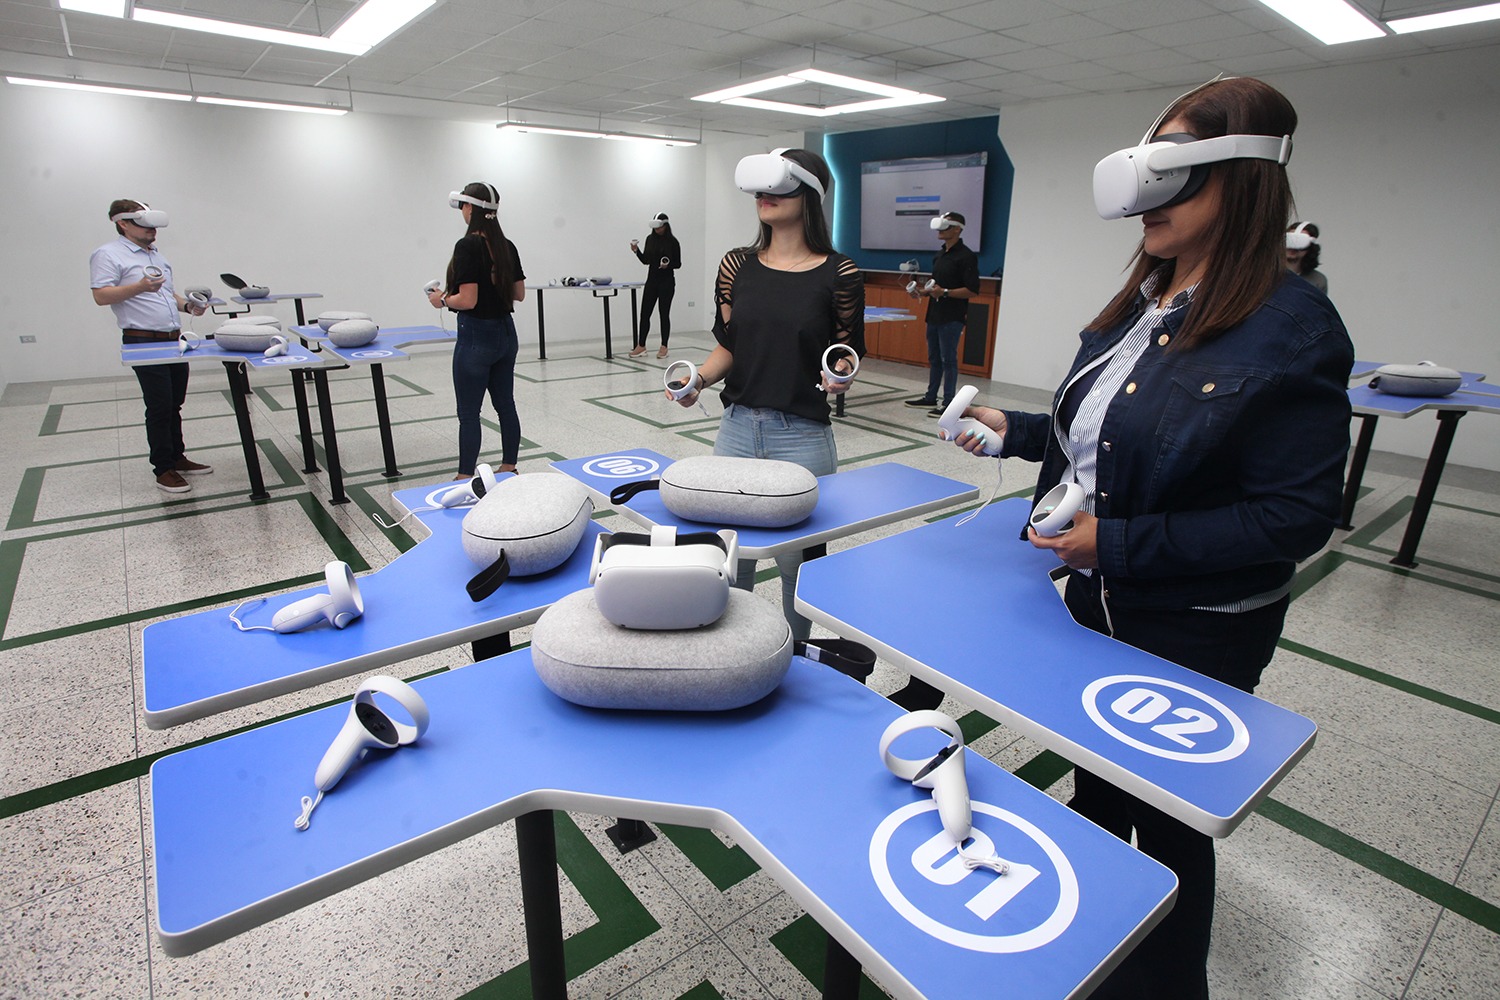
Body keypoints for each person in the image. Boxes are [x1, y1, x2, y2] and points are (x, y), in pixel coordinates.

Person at [948, 78, 1353, 999]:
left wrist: (1117, 544)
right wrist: (1013, 432)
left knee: (1168, 830)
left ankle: (1171, 984)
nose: (1146, 205)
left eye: (1175, 177)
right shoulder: (1148, 294)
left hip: (1195, 629)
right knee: (1096, 795)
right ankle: (1100, 959)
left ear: (1241, 184)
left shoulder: (1293, 328)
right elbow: (1102, 434)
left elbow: (1293, 518)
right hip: (1096, 603)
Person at [668, 149, 864, 639]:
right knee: (731, 560)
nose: (763, 197)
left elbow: (844, 350)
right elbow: (729, 345)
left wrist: (840, 374)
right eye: (760, 190)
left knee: (801, 567)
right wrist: (699, 381)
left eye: (776, 188)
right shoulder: (737, 265)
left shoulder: (839, 274)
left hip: (802, 437)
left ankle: (797, 656)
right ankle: (736, 653)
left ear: (810, 194)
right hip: (735, 432)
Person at [91, 199, 212, 495]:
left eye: (154, 226)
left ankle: (177, 456)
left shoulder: (156, 254)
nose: (152, 231)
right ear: (123, 223)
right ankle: (163, 468)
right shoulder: (108, 255)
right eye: (144, 226)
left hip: (173, 339)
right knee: (158, 405)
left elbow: (167, 293)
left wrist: (188, 306)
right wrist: (140, 287)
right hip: (142, 340)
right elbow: (101, 295)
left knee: (174, 403)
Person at [429, 182, 526, 478]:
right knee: (505, 405)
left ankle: (464, 475)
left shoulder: (467, 245)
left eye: (463, 206)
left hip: (475, 338)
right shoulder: (506, 246)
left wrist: (442, 299)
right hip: (506, 335)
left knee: (469, 413)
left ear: (470, 208)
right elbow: (519, 294)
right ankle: (509, 466)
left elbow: (467, 300)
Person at [903, 211, 979, 416]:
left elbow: (972, 290)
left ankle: (949, 403)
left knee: (949, 360)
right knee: (934, 358)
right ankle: (930, 397)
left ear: (957, 229)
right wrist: (922, 292)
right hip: (934, 315)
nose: (940, 231)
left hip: (952, 317)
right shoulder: (939, 255)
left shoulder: (966, 256)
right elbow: (935, 286)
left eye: (945, 227)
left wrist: (945, 292)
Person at [629, 212, 682, 358]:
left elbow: (678, 264)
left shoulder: (673, 242)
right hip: (651, 281)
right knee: (644, 314)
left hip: (667, 283)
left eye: (660, 227)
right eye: (655, 227)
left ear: (665, 226)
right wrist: (636, 251)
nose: (657, 230)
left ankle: (664, 347)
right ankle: (641, 346)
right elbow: (646, 260)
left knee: (664, 314)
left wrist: (668, 265)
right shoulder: (650, 239)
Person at [1286, 220, 1328, 294]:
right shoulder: (1266, 274)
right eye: (1290, 240)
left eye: (1300, 242)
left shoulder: (1318, 280)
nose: (1293, 247)